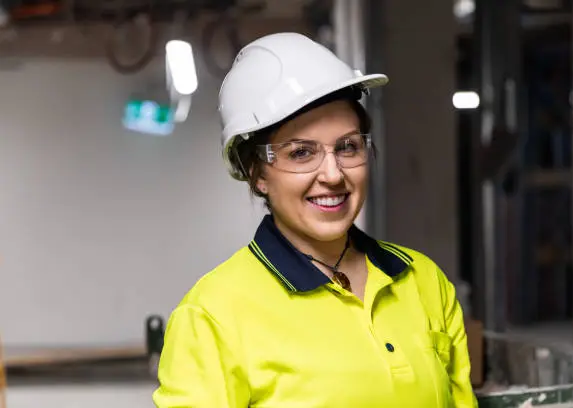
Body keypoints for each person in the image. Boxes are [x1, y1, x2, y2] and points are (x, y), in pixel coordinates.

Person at [153, 32, 478, 408]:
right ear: (256, 172)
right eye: (302, 153)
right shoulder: (213, 315)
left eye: (348, 147)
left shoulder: (423, 280)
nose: (333, 174)